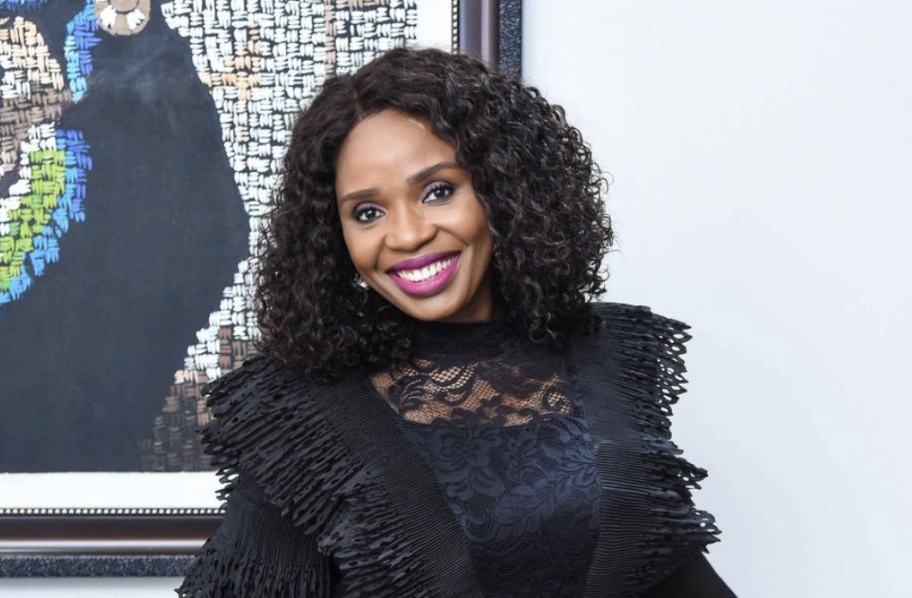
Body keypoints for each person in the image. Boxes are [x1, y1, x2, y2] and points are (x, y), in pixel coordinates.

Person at [176, 46, 736, 597]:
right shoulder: (303, 417)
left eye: (438, 191)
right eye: (367, 212)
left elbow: (664, 568)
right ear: (333, 234)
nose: (407, 235)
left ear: (501, 188)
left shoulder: (606, 360)